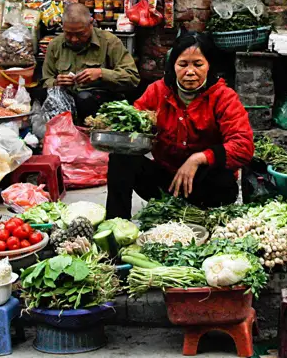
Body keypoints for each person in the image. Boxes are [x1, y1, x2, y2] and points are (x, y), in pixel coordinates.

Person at [105, 32, 254, 219]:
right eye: (183, 64)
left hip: (204, 186)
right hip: (166, 182)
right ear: (173, 66)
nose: (190, 72)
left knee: (223, 178)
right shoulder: (157, 92)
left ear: (209, 66)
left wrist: (199, 158)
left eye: (198, 64)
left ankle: (199, 213)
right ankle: (116, 224)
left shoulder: (224, 97)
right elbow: (134, 122)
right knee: (120, 157)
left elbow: (244, 146)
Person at [40, 3, 139, 123]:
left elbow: (132, 77)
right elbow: (46, 80)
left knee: (85, 98)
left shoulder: (109, 42)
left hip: (101, 107)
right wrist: (56, 82)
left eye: (80, 34)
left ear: (91, 24)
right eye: (69, 34)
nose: (74, 39)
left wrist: (101, 73)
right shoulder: (55, 45)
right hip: (65, 105)